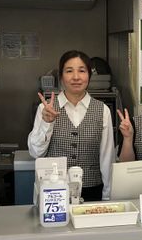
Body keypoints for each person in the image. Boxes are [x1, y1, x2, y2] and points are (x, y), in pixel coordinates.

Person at [27, 50, 115, 201]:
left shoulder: (103, 110)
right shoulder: (45, 108)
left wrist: (108, 196)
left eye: (82, 71)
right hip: (54, 190)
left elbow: (107, 158)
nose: (76, 77)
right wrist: (47, 123)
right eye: (69, 71)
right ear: (61, 76)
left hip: (92, 190)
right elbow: (35, 153)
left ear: (89, 76)